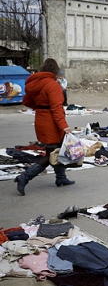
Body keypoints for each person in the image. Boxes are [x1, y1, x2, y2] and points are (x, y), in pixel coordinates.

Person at [15, 58, 75, 196]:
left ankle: (61, 178)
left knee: (56, 150)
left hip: (41, 119)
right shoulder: (52, 85)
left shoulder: (35, 83)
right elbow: (56, 108)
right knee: (51, 154)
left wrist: (40, 107)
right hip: (51, 121)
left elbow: (27, 101)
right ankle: (24, 177)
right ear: (55, 70)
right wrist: (64, 126)